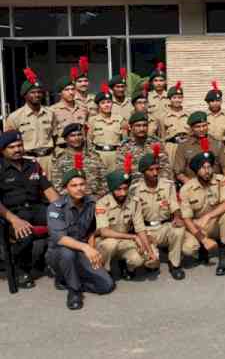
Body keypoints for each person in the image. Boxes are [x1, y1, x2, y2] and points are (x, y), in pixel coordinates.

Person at [46, 164, 114, 310]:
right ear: (66, 188)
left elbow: (92, 229)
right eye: (74, 185)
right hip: (58, 253)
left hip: (81, 250)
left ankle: (67, 279)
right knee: (67, 252)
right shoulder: (56, 207)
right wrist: (86, 248)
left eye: (82, 184)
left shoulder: (91, 203)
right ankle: (74, 291)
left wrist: (92, 247)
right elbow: (60, 238)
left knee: (106, 285)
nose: (79, 188)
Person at [0, 131, 59, 289]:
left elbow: (49, 190)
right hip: (13, 213)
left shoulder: (33, 165)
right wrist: (14, 220)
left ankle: (53, 262)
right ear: (3, 150)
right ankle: (21, 269)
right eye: (11, 147)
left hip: (37, 208)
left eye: (19, 145)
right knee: (24, 233)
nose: (17, 149)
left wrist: (61, 210)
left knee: (63, 224)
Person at [179, 140, 225, 276]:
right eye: (203, 168)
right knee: (188, 249)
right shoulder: (187, 189)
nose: (207, 171)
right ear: (196, 171)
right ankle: (202, 249)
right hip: (198, 226)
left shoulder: (222, 180)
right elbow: (186, 219)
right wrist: (202, 238)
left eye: (209, 166)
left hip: (216, 223)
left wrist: (208, 216)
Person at [130, 146, 185, 280]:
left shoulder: (168, 185)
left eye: (157, 169)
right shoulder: (135, 190)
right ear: (143, 172)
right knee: (151, 264)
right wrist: (143, 237)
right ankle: (152, 258)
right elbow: (136, 220)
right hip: (146, 229)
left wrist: (177, 217)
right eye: (151, 170)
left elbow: (174, 205)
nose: (155, 173)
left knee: (178, 230)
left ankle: (175, 264)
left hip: (164, 226)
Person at [95, 163, 156, 280]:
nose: (123, 193)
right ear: (112, 188)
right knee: (110, 244)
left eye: (125, 188)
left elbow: (140, 228)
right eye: (118, 189)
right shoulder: (102, 203)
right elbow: (104, 232)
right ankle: (104, 270)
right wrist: (133, 237)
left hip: (124, 241)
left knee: (138, 259)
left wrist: (149, 252)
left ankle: (126, 266)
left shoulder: (134, 201)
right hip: (106, 241)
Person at [4, 68, 56, 178]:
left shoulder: (50, 113)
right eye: (32, 92)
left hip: (49, 160)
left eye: (39, 92)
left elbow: (55, 136)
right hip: (27, 160)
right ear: (25, 95)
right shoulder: (15, 117)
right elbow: (9, 143)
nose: (37, 95)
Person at [173, 111, 225, 184]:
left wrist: (222, 183)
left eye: (204, 126)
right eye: (198, 127)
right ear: (191, 128)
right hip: (192, 185)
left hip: (215, 184)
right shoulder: (183, 146)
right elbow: (178, 172)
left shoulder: (217, 144)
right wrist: (191, 185)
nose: (202, 129)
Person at [51, 123, 108, 198]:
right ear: (65, 139)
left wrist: (97, 197)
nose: (77, 138)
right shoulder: (60, 159)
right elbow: (57, 184)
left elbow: (105, 180)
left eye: (79, 135)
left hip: (95, 200)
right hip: (71, 202)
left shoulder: (94, 156)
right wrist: (75, 198)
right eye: (72, 136)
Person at [117, 112, 171, 183]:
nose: (142, 129)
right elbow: (122, 172)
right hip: (134, 185)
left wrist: (161, 183)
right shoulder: (124, 147)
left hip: (156, 183)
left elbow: (165, 166)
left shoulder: (156, 143)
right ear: (131, 127)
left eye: (144, 125)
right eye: (138, 126)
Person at [87, 84, 127, 172]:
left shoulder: (120, 120)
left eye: (109, 102)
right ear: (98, 105)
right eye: (103, 103)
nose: (106, 105)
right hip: (99, 155)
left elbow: (125, 141)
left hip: (115, 155)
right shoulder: (92, 120)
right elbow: (89, 142)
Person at [50, 69, 88, 147]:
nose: (71, 92)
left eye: (72, 89)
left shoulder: (83, 108)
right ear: (60, 93)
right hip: (62, 151)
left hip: (81, 150)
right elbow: (52, 135)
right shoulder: (52, 111)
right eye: (67, 90)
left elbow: (86, 130)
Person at [157, 81, 189, 167]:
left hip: (186, 146)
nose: (177, 100)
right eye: (174, 97)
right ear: (169, 99)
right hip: (171, 147)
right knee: (170, 169)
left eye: (179, 97)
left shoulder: (188, 115)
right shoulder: (163, 117)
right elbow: (162, 137)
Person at [204, 81, 225, 146]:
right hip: (207, 148)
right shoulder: (203, 116)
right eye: (212, 101)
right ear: (208, 102)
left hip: (224, 149)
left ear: (221, 101)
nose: (215, 103)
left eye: (217, 101)